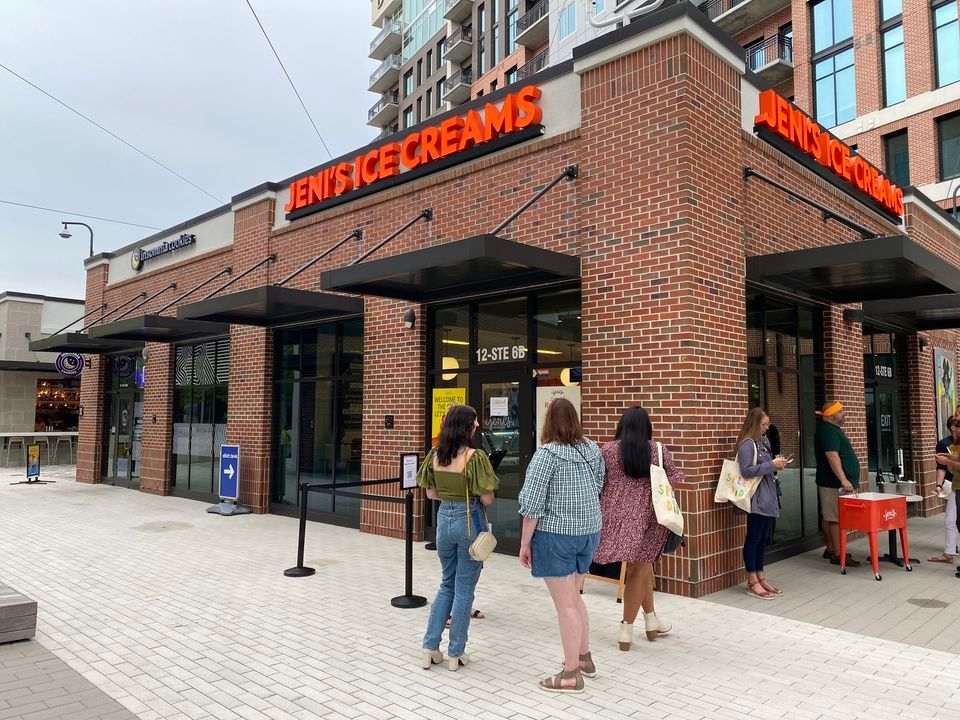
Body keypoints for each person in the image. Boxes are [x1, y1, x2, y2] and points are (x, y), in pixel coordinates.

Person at [518, 398, 604, 694]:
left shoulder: (546, 455)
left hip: (556, 536)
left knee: (565, 604)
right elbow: (599, 486)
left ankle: (569, 674)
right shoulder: (592, 449)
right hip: (589, 533)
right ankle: (584, 658)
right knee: (575, 598)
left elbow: (531, 506)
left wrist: (523, 545)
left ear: (548, 422)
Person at [417, 404, 499, 672]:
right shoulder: (475, 458)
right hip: (469, 520)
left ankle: (430, 647)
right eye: (474, 422)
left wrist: (451, 500)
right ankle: (456, 652)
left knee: (446, 584)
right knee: (464, 590)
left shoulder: (434, 455)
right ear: (465, 426)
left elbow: (430, 494)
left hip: (443, 521)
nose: (477, 426)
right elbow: (487, 497)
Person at [594, 406, 680, 648]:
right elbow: (672, 481)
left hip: (615, 518)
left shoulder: (608, 450)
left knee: (640, 571)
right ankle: (626, 630)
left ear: (621, 425)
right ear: (647, 427)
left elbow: (600, 481)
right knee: (639, 571)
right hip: (649, 519)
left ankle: (651, 621)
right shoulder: (658, 450)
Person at [734, 408, 788, 599]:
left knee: (763, 536)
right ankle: (752, 580)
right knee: (754, 537)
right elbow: (747, 471)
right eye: (764, 424)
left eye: (768, 424)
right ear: (754, 423)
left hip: (768, 494)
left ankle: (761, 575)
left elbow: (766, 466)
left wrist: (776, 464)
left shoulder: (764, 441)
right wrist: (772, 465)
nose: (767, 427)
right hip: (756, 497)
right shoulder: (747, 445)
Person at [814, 401, 861, 567]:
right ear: (831, 415)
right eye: (841, 411)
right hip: (833, 483)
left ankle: (831, 549)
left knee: (829, 516)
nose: (844, 414)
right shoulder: (828, 431)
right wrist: (843, 479)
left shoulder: (832, 430)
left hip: (832, 482)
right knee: (835, 518)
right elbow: (832, 456)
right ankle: (838, 554)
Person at [932, 417, 960, 564]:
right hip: (955, 486)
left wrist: (948, 461)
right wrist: (939, 484)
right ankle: (949, 552)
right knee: (950, 520)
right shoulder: (947, 443)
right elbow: (947, 466)